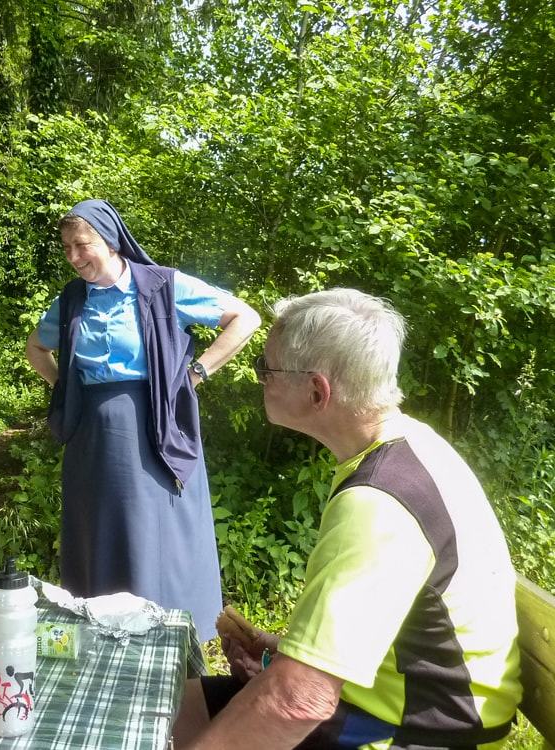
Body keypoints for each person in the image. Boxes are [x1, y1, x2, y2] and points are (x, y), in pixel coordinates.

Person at [173, 289, 521, 749]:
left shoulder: (379, 503)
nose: (260, 379)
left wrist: (288, 677)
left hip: (418, 732)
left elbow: (300, 702)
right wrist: (281, 652)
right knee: (169, 707)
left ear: (318, 391)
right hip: (389, 702)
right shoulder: (412, 446)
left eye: (266, 368)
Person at [25, 199, 261, 639]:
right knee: (99, 531)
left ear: (110, 241)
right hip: (91, 434)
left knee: (155, 530)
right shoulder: (72, 299)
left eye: (82, 244)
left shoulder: (162, 286)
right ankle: (101, 631)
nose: (74, 256)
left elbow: (245, 318)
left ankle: (168, 635)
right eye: (66, 248)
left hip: (155, 429)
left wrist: (196, 374)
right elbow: (35, 348)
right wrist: (66, 386)